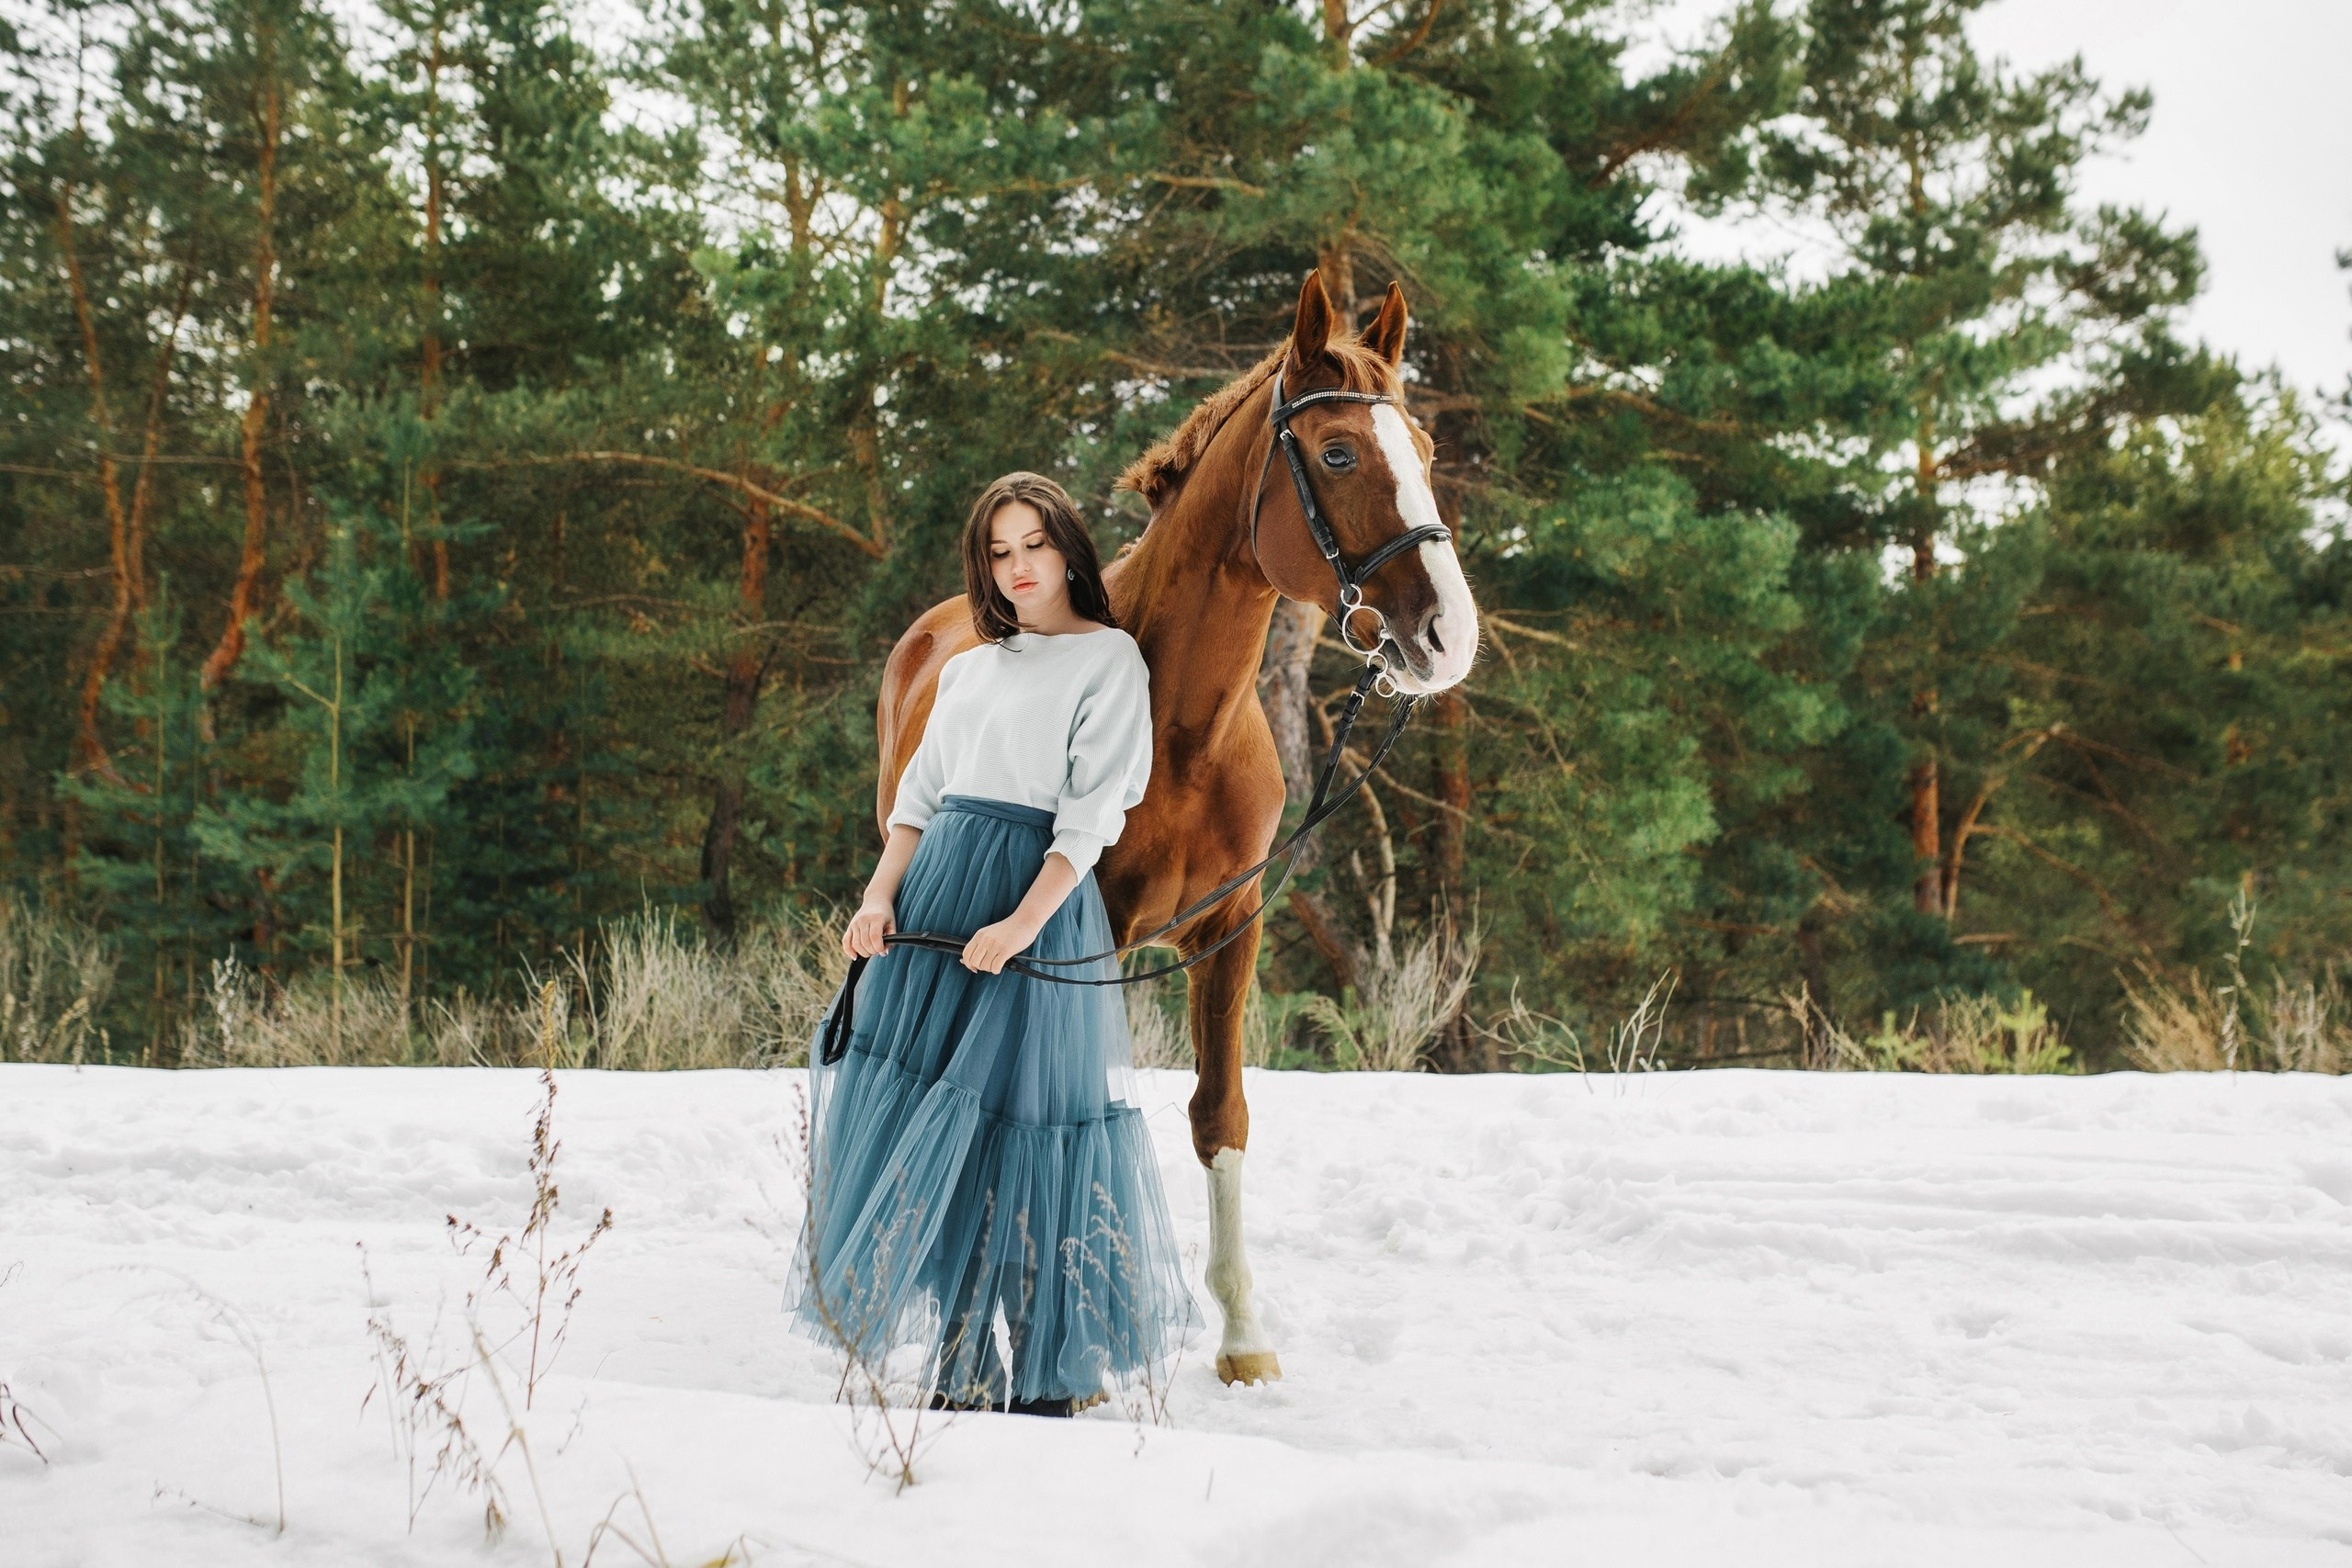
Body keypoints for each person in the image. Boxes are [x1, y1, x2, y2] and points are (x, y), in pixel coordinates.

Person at [788, 471, 1197, 1416]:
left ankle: (1047, 1368)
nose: (1017, 567)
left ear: (1068, 550)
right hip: (934, 902)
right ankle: (962, 1358)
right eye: (998, 551)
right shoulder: (971, 666)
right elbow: (918, 800)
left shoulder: (1108, 662)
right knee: (940, 1131)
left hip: (1030, 901)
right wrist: (877, 898)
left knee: (1027, 1130)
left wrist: (1020, 925)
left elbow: (1091, 818)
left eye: (1034, 546)